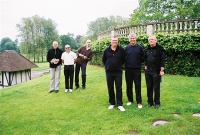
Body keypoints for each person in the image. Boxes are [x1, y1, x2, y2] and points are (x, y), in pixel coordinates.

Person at [102, 36, 126, 112]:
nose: (114, 42)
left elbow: (123, 60)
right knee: (110, 87)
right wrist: (108, 66)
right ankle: (112, 103)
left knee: (119, 88)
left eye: (116, 40)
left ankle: (119, 104)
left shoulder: (121, 50)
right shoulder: (106, 50)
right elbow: (104, 60)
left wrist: (118, 65)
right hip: (109, 72)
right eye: (113, 40)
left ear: (117, 41)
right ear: (111, 41)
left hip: (118, 72)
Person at [144, 35, 166, 109]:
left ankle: (157, 103)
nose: (151, 41)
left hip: (156, 71)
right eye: (150, 40)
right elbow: (146, 59)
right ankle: (150, 102)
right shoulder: (147, 48)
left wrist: (162, 70)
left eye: (152, 39)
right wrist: (146, 66)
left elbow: (163, 60)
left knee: (156, 87)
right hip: (148, 71)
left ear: (156, 40)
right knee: (149, 87)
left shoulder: (160, 49)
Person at [124, 33, 144, 109]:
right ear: (129, 39)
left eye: (133, 38)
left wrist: (138, 63)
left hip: (137, 69)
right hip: (128, 69)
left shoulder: (140, 48)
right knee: (129, 85)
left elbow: (142, 58)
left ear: (136, 38)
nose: (132, 39)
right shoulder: (126, 48)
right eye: (131, 38)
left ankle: (139, 102)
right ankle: (130, 100)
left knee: (138, 85)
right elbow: (123, 58)